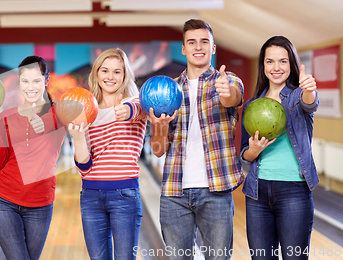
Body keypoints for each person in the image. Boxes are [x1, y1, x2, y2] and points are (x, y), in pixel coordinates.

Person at [148, 19, 244, 260]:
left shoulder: (227, 80)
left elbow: (232, 98)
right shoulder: (168, 91)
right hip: (174, 193)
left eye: (204, 42)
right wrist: (159, 128)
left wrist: (226, 92)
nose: (198, 47)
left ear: (213, 48)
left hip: (217, 192)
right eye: (192, 42)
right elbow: (158, 151)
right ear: (183, 48)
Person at [0, 56, 66, 260]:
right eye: (25, 81)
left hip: (40, 202)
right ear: (19, 82)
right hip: (3, 200)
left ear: (46, 81)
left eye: (36, 81)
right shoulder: (5, 117)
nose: (30, 87)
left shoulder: (59, 113)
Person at [240, 35, 318, 260]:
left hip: (294, 192)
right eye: (270, 61)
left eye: (283, 61)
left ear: (291, 64)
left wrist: (309, 88)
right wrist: (254, 150)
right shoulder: (252, 106)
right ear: (263, 65)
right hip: (257, 193)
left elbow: (310, 103)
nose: (276, 67)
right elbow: (246, 153)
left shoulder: (297, 97)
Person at [68, 48, 147, 260]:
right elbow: (85, 166)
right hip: (90, 196)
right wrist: (78, 138)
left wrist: (126, 110)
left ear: (125, 75)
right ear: (96, 73)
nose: (110, 77)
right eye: (105, 70)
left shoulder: (136, 102)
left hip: (124, 195)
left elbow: (139, 109)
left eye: (117, 72)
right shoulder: (87, 111)